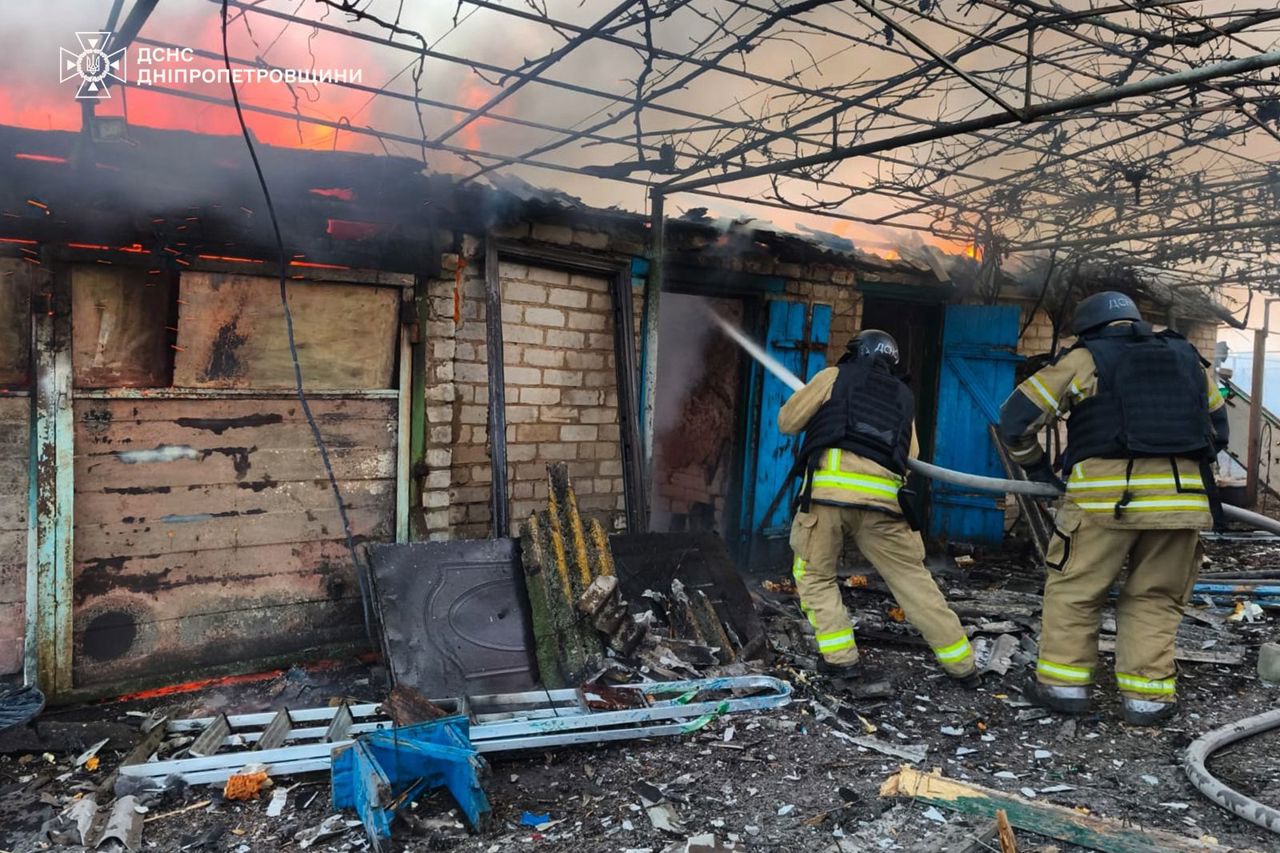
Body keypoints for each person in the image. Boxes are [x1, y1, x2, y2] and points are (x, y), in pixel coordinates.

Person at [998, 291, 1228, 725]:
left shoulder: (1085, 359)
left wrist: (1038, 468)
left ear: (1088, 328)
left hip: (1103, 502)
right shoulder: (1187, 359)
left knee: (1076, 591)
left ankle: (1064, 686)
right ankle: (1148, 699)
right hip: (1182, 503)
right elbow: (1218, 430)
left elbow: (1015, 419)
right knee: (1156, 597)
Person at [779, 329, 980, 686]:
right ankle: (963, 665)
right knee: (913, 582)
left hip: (828, 500)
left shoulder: (834, 376)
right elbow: (911, 455)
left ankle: (842, 661)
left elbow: (787, 422)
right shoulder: (903, 395)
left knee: (815, 575)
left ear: (857, 352)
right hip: (886, 506)